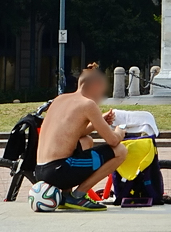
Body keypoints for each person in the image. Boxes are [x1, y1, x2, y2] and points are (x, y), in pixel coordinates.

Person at [32, 64, 127, 211]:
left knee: (86, 140)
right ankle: (78, 196)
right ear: (95, 85)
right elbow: (113, 141)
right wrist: (120, 131)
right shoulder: (88, 104)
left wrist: (98, 121)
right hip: (60, 171)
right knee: (120, 150)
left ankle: (66, 194)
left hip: (41, 171)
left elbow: (74, 133)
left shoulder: (59, 99)